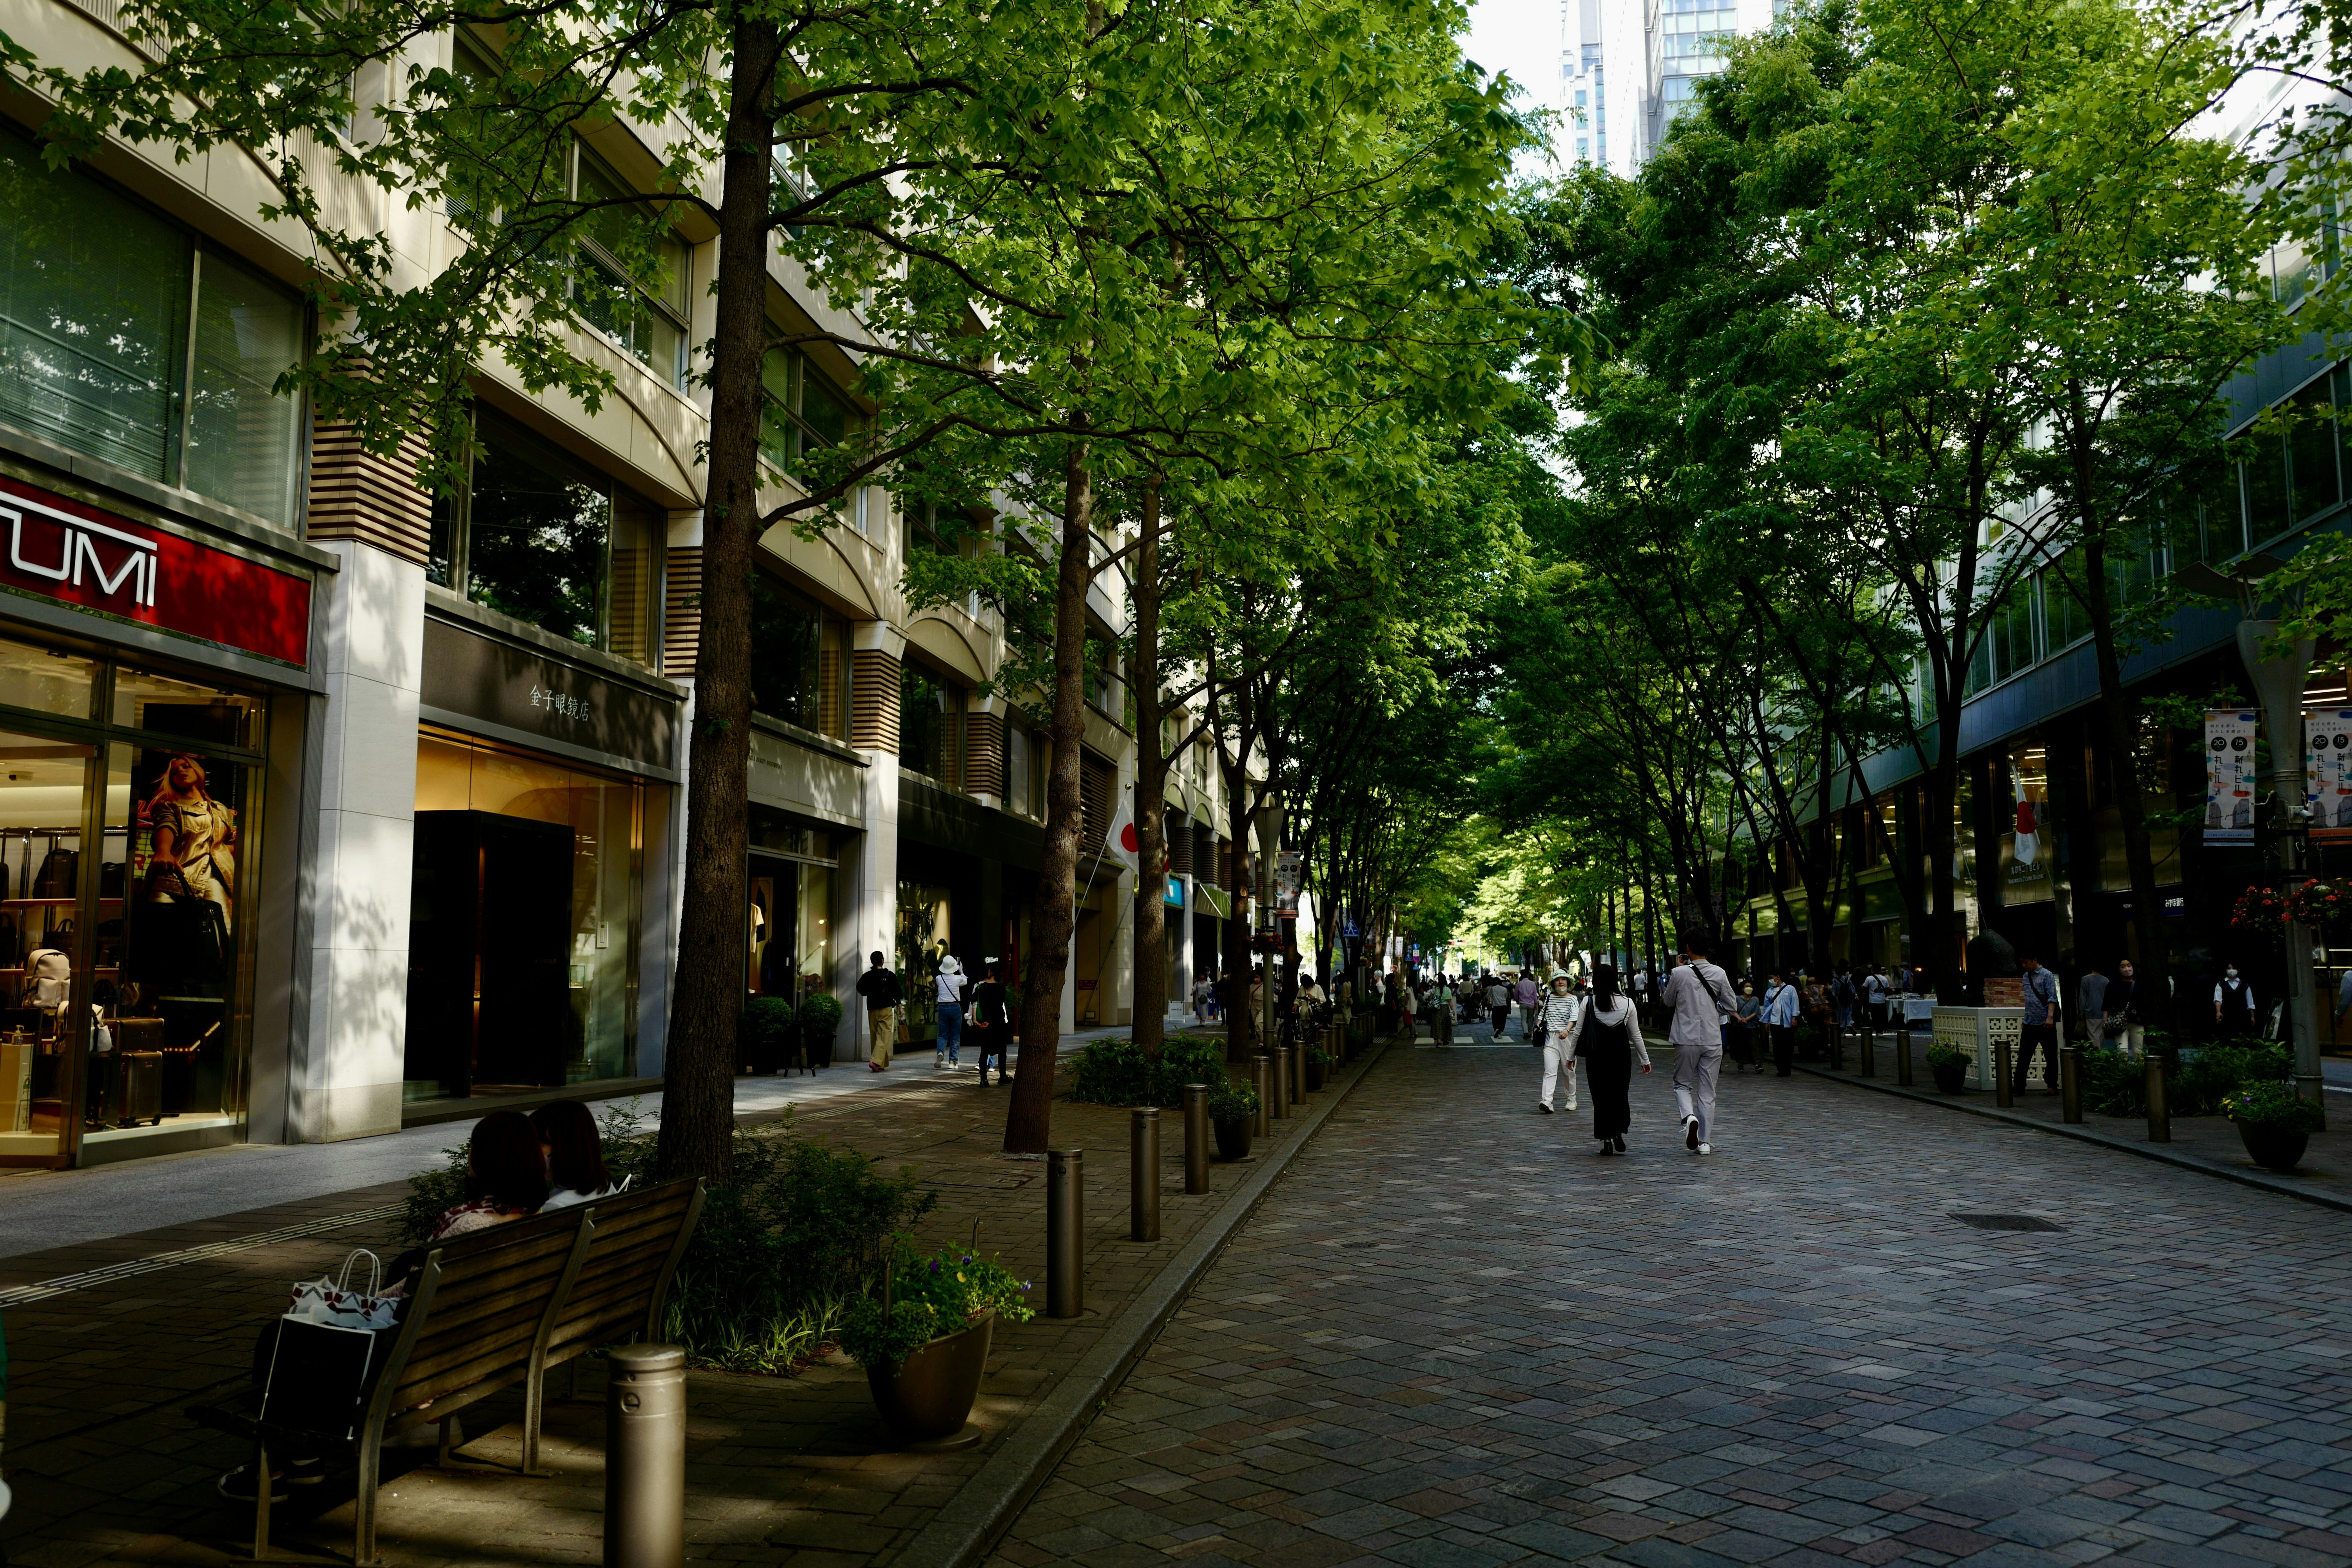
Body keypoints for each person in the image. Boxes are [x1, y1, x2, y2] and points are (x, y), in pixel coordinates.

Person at [218, 1112, 548, 1501]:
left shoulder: (469, 1227)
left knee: (282, 1336)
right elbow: (418, 1292)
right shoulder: (534, 1219)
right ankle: (298, 1461)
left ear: (487, 1158)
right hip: (480, 1352)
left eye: (474, 1145)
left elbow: (410, 1308)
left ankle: (274, 1469)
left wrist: (351, 1308)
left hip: (421, 1365)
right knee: (306, 1328)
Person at [1663, 931, 1740, 1154]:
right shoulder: (1719, 973)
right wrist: (1713, 1011)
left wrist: (1677, 969)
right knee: (1708, 1091)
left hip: (1685, 1038)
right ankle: (1704, 1143)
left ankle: (1689, 1117)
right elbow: (1731, 1006)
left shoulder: (1678, 973)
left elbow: (1668, 1001)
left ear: (1687, 948)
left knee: (1682, 1084)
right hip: (1712, 1038)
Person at [1568, 964, 1651, 1154]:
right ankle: (1619, 1132)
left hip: (1596, 1057)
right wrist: (1645, 1060)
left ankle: (1607, 1142)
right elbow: (1636, 1035)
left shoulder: (1588, 1002)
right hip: (1621, 1056)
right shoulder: (1628, 1003)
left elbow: (1578, 1032)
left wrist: (1571, 1056)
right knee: (1619, 1095)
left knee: (1601, 1098)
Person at [533, 1100, 615, 1209]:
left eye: (539, 1145)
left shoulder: (556, 1207)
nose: (531, 1152)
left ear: (565, 1150)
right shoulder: (604, 1185)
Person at [2013, 954, 2060, 1093]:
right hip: (2030, 1022)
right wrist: (2025, 1018)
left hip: (2046, 1023)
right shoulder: (2026, 976)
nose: (2024, 966)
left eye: (2026, 962)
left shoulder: (2047, 975)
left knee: (2050, 1055)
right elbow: (2028, 999)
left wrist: (2050, 1017)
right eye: (2022, 963)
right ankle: (2019, 1084)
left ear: (2035, 960)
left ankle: (2052, 1085)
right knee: (2024, 1055)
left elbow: (2052, 997)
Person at [1536, 974, 1581, 1113]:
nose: (1561, 982)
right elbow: (1541, 1017)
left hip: (1568, 1039)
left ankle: (1571, 1099)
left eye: (1563, 980)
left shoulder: (1573, 999)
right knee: (1549, 1070)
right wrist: (1537, 1028)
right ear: (1553, 984)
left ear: (1568, 982)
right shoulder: (1549, 998)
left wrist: (1567, 1030)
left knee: (1569, 1071)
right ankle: (1547, 1100)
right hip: (1551, 1039)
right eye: (1557, 980)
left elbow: (1575, 1015)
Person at [856, 951, 902, 1071]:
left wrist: (868, 993)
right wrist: (900, 1006)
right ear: (883, 961)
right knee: (884, 1035)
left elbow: (860, 988)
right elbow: (897, 991)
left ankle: (881, 1064)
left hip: (872, 1008)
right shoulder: (889, 975)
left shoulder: (867, 976)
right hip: (886, 1008)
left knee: (875, 1036)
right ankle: (876, 1062)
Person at [971, 962, 1012, 1085]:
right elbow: (998, 1007)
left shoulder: (980, 987)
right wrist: (990, 1021)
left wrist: (976, 1020)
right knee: (1002, 1051)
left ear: (990, 972)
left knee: (984, 1051)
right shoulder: (1000, 988)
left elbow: (975, 1003)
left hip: (984, 1024)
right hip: (998, 1023)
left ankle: (984, 1080)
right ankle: (1002, 1076)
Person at [1760, 969, 1800, 1078]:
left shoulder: (1790, 989)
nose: (1770, 980)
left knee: (1788, 1046)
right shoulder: (1769, 992)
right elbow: (1767, 1008)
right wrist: (1766, 1022)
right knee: (1777, 1047)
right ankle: (1781, 1068)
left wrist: (1795, 1018)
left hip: (1787, 1023)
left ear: (1778, 977)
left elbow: (1795, 1004)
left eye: (1771, 978)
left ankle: (1787, 1068)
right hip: (1774, 1023)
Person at [2102, 959, 2144, 1058]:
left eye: (2129, 965)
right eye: (2123, 966)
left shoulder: (2140, 984)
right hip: (2119, 1021)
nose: (2127, 969)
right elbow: (2107, 1004)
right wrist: (2105, 1019)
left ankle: (2139, 1071)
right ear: (2119, 969)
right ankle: (2123, 1072)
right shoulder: (2113, 984)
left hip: (2137, 1021)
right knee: (2122, 1051)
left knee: (2139, 1051)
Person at [934, 955, 968, 1070]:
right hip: (955, 1007)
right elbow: (965, 982)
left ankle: (940, 1052)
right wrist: (961, 971)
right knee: (955, 1036)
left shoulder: (939, 979)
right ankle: (952, 1062)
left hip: (943, 1008)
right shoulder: (957, 979)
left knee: (942, 1034)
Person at [2215, 965, 2257, 1038]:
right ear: (2226, 970)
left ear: (2238, 970)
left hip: (2242, 1016)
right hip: (2227, 1015)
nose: (2232, 970)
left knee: (2242, 1037)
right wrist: (2218, 1012)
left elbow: (2250, 1001)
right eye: (2229, 968)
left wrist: (2252, 1016)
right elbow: (2218, 999)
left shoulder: (2244, 984)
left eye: (2234, 968)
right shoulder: (2221, 984)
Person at [1731, 982, 1764, 1073]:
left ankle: (1758, 1064)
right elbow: (1733, 1010)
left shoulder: (1756, 1000)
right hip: (1739, 1026)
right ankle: (1740, 1064)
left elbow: (1756, 1012)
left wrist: (1746, 1019)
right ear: (1742, 989)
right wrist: (1739, 1018)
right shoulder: (1737, 999)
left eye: (1750, 987)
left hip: (1751, 1026)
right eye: (1747, 987)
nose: (1749, 988)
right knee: (1740, 1045)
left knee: (1754, 1045)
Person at [2078, 962, 2109, 1051]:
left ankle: (2097, 1053)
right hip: (2103, 1012)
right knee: (2101, 1035)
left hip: (2090, 1011)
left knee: (2093, 1034)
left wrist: (2081, 1012)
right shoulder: (2106, 980)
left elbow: (2083, 997)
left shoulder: (2085, 979)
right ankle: (2100, 1052)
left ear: (2092, 968)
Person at [1513, 970, 1542, 1043]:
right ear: (1528, 975)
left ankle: (1525, 1032)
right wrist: (1536, 1004)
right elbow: (1535, 995)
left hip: (1523, 1004)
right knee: (1530, 1019)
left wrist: (1517, 1000)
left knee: (1523, 1019)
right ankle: (1529, 1032)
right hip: (1531, 1004)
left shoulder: (1519, 984)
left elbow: (1516, 994)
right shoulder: (1533, 984)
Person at [1864, 964, 1891, 1036]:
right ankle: (1881, 1031)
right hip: (1882, 1000)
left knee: (1875, 1017)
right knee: (1881, 1016)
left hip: (1873, 1000)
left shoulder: (1869, 978)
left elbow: (1864, 988)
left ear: (1873, 969)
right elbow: (1888, 990)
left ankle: (1877, 1030)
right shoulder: (1884, 979)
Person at [1485, 972, 1511, 1036]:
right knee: (1503, 1020)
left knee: (1495, 1020)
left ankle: (1496, 1029)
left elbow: (1487, 996)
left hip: (1495, 1007)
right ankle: (1500, 1033)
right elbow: (1507, 997)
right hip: (1504, 1006)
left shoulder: (1492, 989)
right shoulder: (1504, 989)